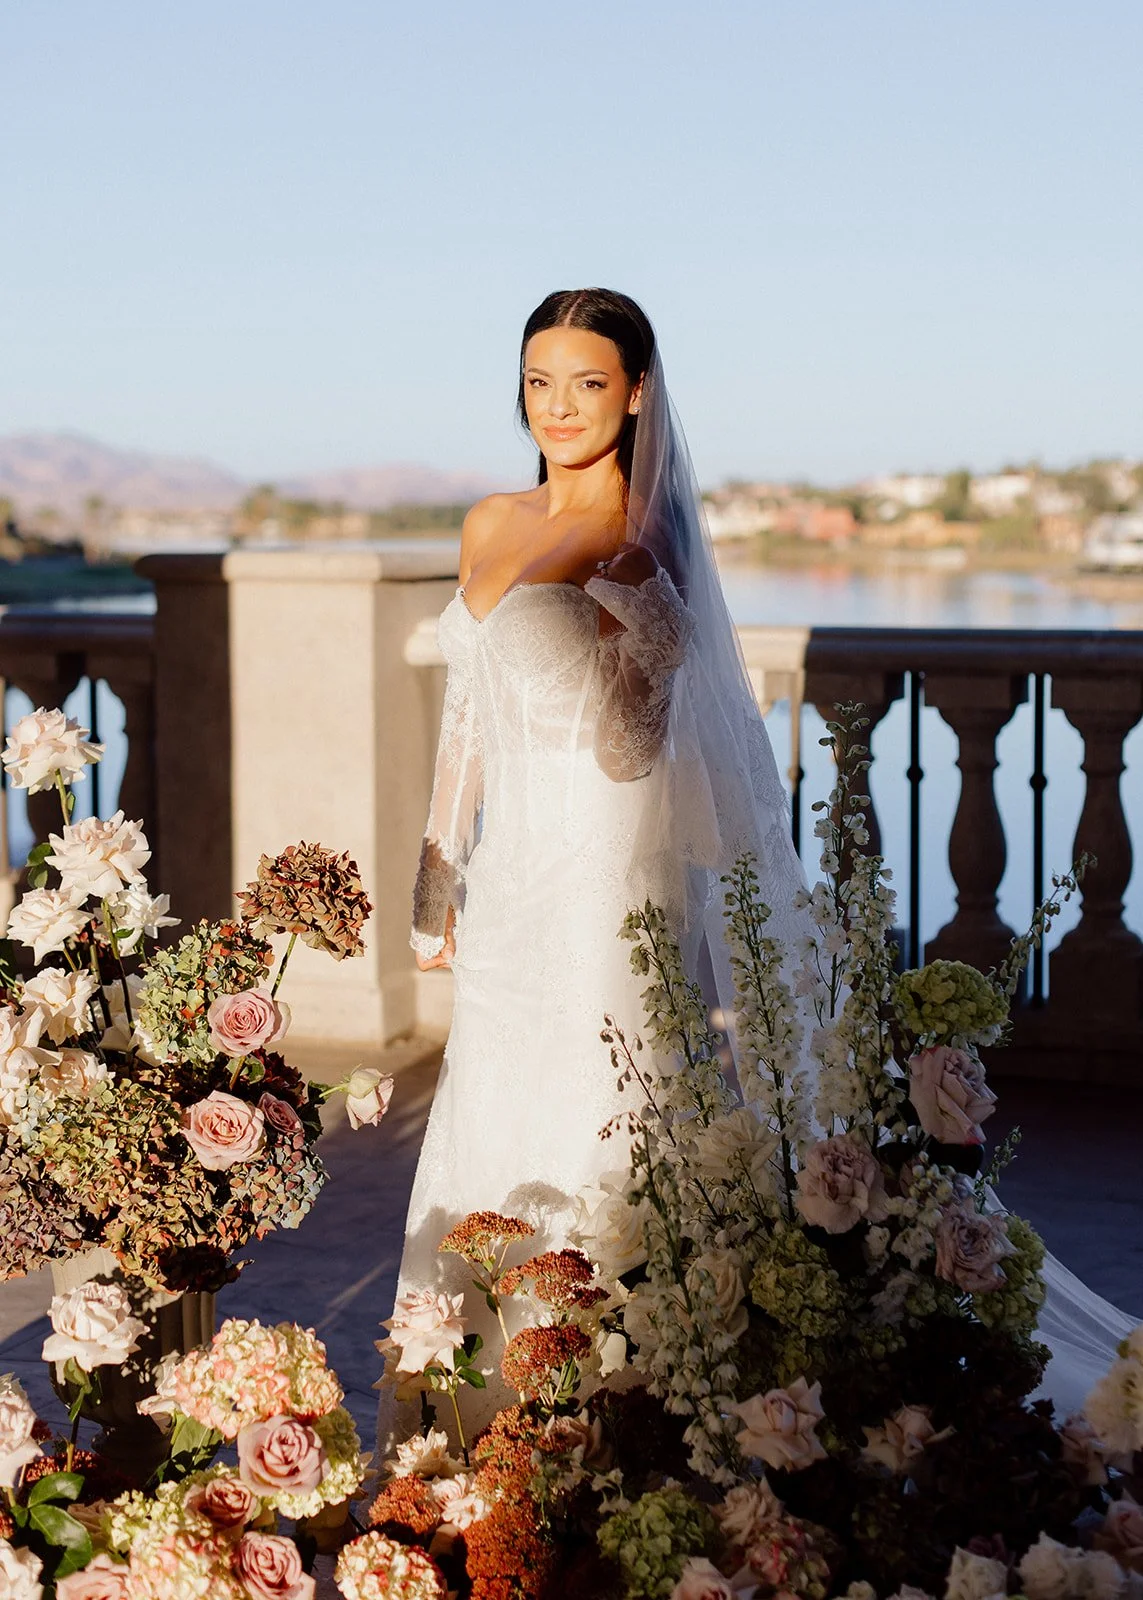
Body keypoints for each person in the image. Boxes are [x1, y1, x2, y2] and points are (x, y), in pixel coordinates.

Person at [379, 287, 1131, 1447]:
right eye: (539, 382)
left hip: (598, 892)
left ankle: (597, 1425)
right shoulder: (490, 522)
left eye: (588, 383)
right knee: (488, 1118)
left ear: (637, 392)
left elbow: (632, 757)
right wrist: (437, 884)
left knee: (593, 1125)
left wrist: (645, 638)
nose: (559, 407)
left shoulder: (642, 542)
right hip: (509, 885)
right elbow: (466, 714)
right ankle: (469, 1416)